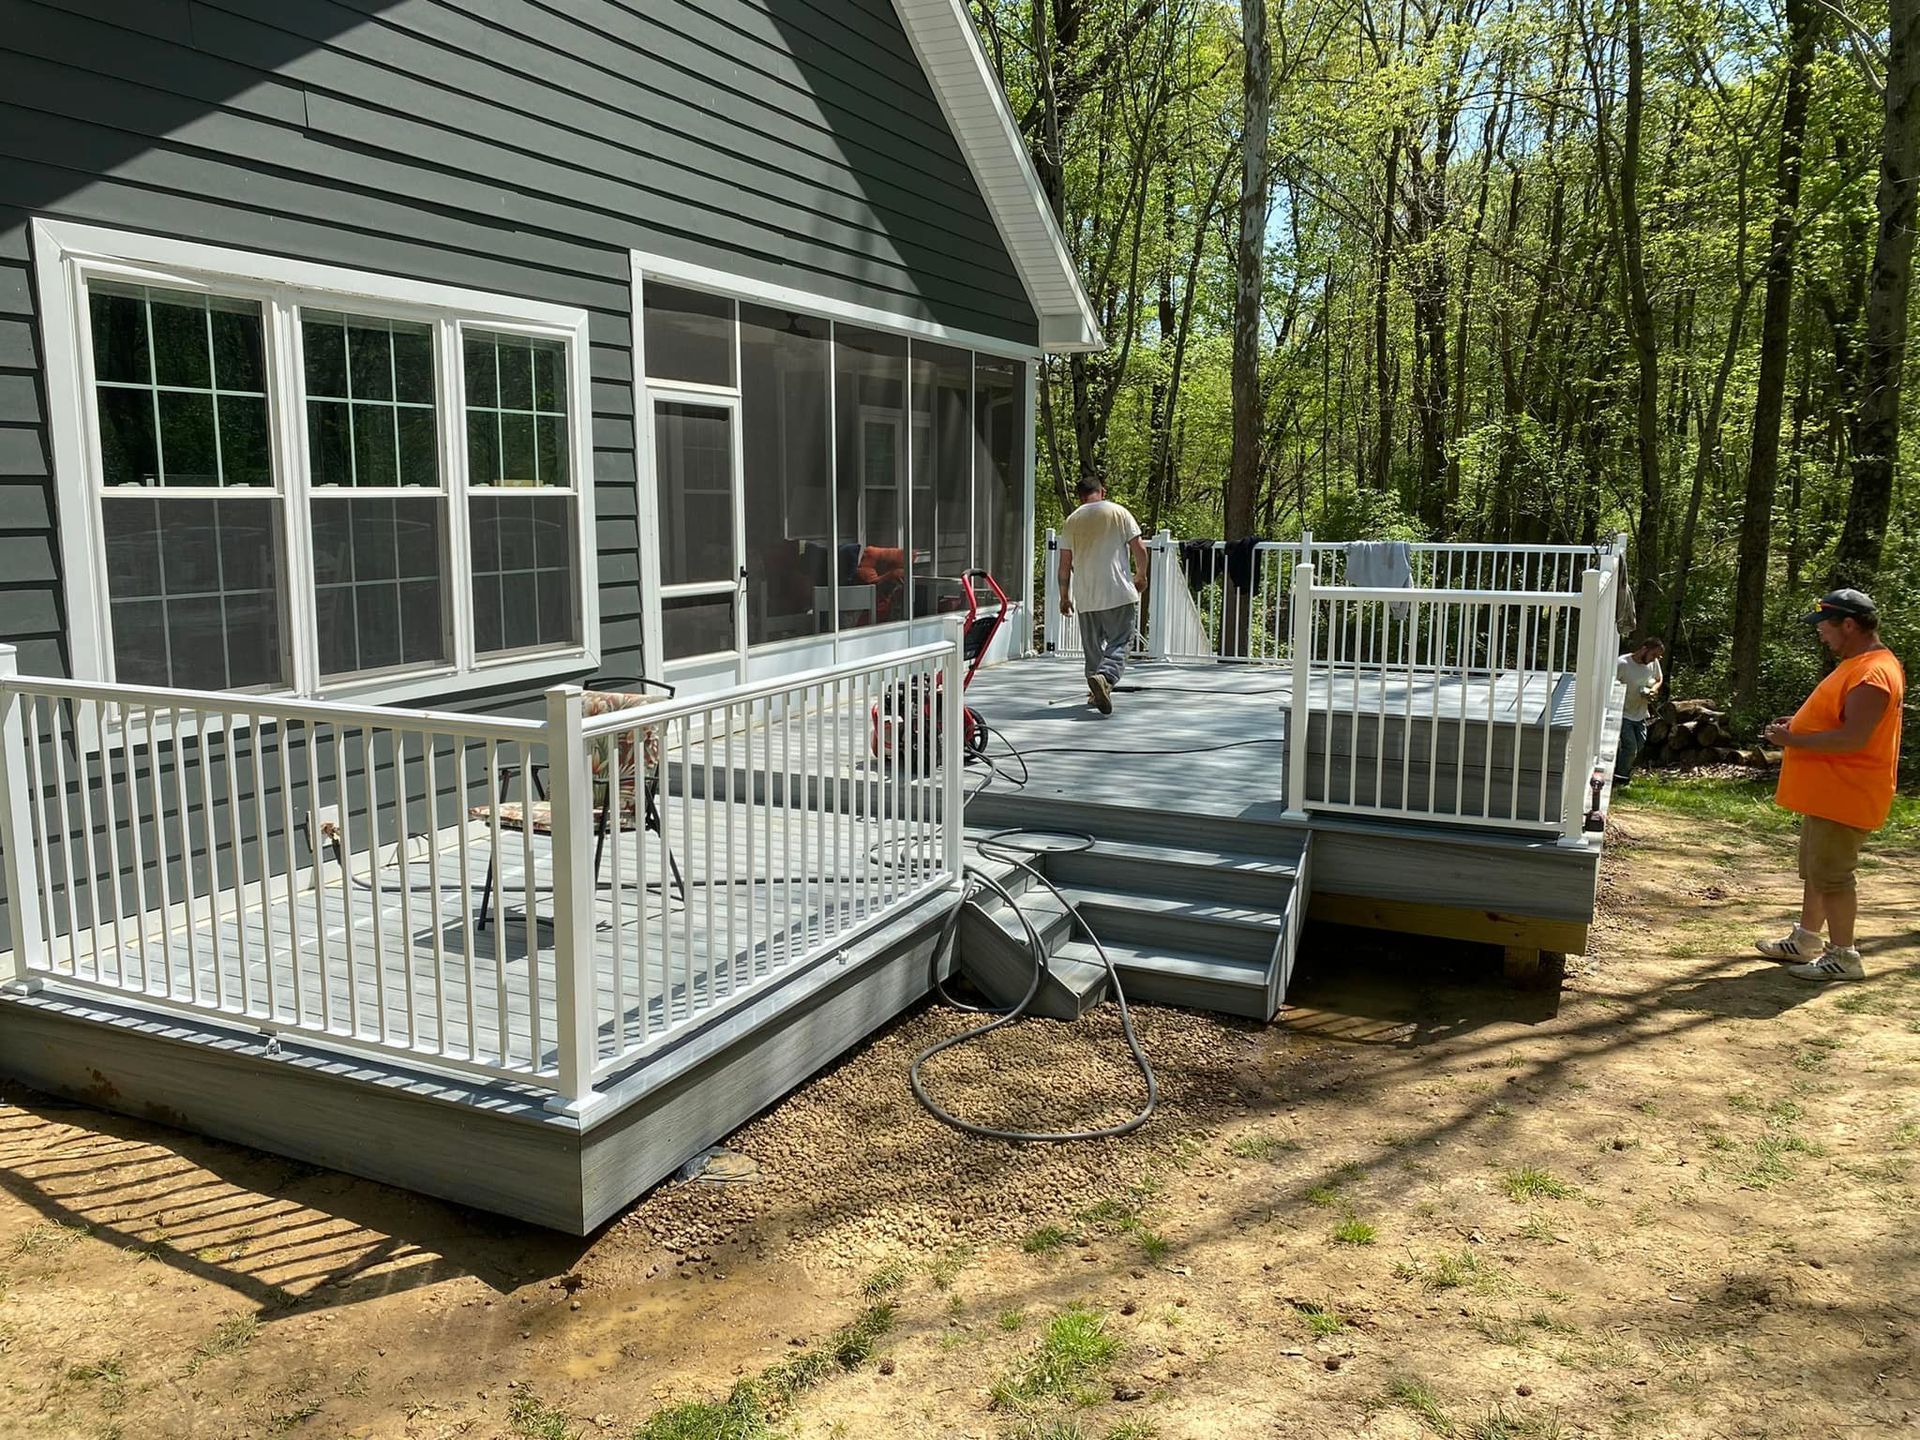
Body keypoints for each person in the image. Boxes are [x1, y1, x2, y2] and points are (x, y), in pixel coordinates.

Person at [1755, 588, 1906, 982]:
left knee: (1834, 877)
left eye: (1825, 625)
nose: (1820, 633)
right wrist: (1801, 723)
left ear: (1850, 624)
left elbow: (1854, 738)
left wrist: (1794, 741)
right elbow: (1839, 721)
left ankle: (1844, 956)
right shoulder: (1857, 664)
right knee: (1817, 872)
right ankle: (1807, 940)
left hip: (1847, 793)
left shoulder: (1874, 673)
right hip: (1828, 794)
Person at [1057, 477, 1148, 714]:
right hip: (1118, 591)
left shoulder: (1072, 520)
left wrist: (1064, 596)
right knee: (1121, 640)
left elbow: (1064, 564)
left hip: (1086, 596)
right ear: (1102, 491)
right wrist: (1140, 575)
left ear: (1080, 496)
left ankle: (1095, 691)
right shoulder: (1118, 512)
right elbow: (1139, 547)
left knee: (1092, 648)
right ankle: (1105, 679)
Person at [1614, 637, 1666, 785]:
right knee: (1630, 747)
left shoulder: (1653, 663)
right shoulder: (1622, 663)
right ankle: (1621, 779)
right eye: (1653, 655)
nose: (1654, 659)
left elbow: (1658, 679)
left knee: (1640, 744)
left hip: (1641, 713)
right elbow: (1611, 685)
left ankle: (1620, 769)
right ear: (1644, 649)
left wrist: (1653, 691)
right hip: (1624, 712)